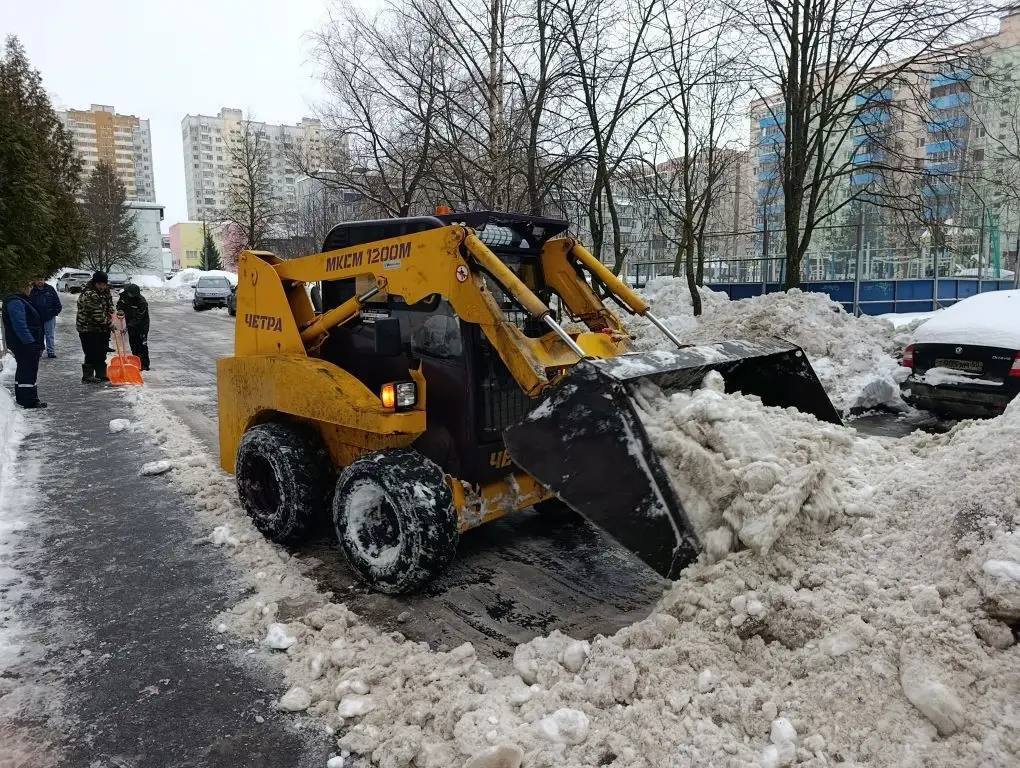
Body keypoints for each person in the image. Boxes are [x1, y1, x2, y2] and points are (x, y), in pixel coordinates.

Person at [1, 282, 47, 408]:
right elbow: (20, 325)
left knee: (26, 370)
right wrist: (30, 342)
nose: (30, 289)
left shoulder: (19, 300)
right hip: (24, 343)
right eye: (28, 286)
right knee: (28, 370)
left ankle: (25, 398)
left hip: (26, 342)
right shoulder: (15, 302)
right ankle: (28, 400)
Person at [76, 271, 114, 383]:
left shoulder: (106, 291)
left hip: (101, 329)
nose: (102, 287)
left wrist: (111, 310)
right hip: (87, 328)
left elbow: (109, 304)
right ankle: (87, 376)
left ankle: (101, 374)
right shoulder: (89, 294)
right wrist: (109, 323)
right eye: (99, 284)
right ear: (95, 283)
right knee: (91, 351)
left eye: (104, 284)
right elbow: (96, 313)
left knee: (101, 351)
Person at [116, 283, 150, 370]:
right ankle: (136, 362)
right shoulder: (124, 296)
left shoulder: (142, 301)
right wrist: (120, 310)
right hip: (130, 324)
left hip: (142, 326)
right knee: (133, 344)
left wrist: (127, 327)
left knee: (142, 345)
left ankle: (144, 365)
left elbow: (139, 318)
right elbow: (120, 304)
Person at [29, 278, 62, 358]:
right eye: (38, 280)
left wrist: (54, 312)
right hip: (37, 317)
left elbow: (57, 303)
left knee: (49, 335)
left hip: (49, 316)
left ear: (44, 280)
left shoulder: (50, 289)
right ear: (35, 281)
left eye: (41, 279)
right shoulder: (32, 290)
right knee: (38, 335)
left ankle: (51, 352)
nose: (40, 281)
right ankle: (39, 351)